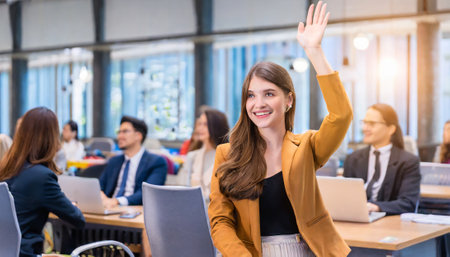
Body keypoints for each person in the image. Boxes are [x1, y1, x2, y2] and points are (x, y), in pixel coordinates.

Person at [208, 2, 352, 256]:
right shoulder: (227, 154)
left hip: (302, 249)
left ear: (288, 100)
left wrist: (314, 51)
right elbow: (220, 221)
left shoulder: (307, 147)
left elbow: (341, 115)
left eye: (269, 94)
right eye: (251, 96)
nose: (258, 104)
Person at [0, 107, 85, 257]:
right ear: (51, 138)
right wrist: (71, 205)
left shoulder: (6, 167)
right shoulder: (42, 177)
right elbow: (78, 220)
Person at [343, 103, 421, 215]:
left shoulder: (408, 161)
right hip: (357, 219)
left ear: (391, 129)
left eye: (372, 124)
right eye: (364, 123)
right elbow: (346, 197)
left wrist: (376, 207)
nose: (365, 128)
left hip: (390, 223)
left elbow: (408, 203)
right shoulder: (353, 159)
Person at [100, 116, 167, 208]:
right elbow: (100, 186)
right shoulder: (114, 161)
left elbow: (149, 193)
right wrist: (101, 195)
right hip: (109, 208)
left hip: (135, 211)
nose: (119, 136)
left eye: (125, 132)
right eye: (119, 132)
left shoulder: (157, 162)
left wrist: (117, 201)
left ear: (138, 136)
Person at [182, 109, 229, 198]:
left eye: (205, 124)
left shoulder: (228, 157)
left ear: (216, 127)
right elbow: (183, 188)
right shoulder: (192, 156)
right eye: (200, 124)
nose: (200, 128)